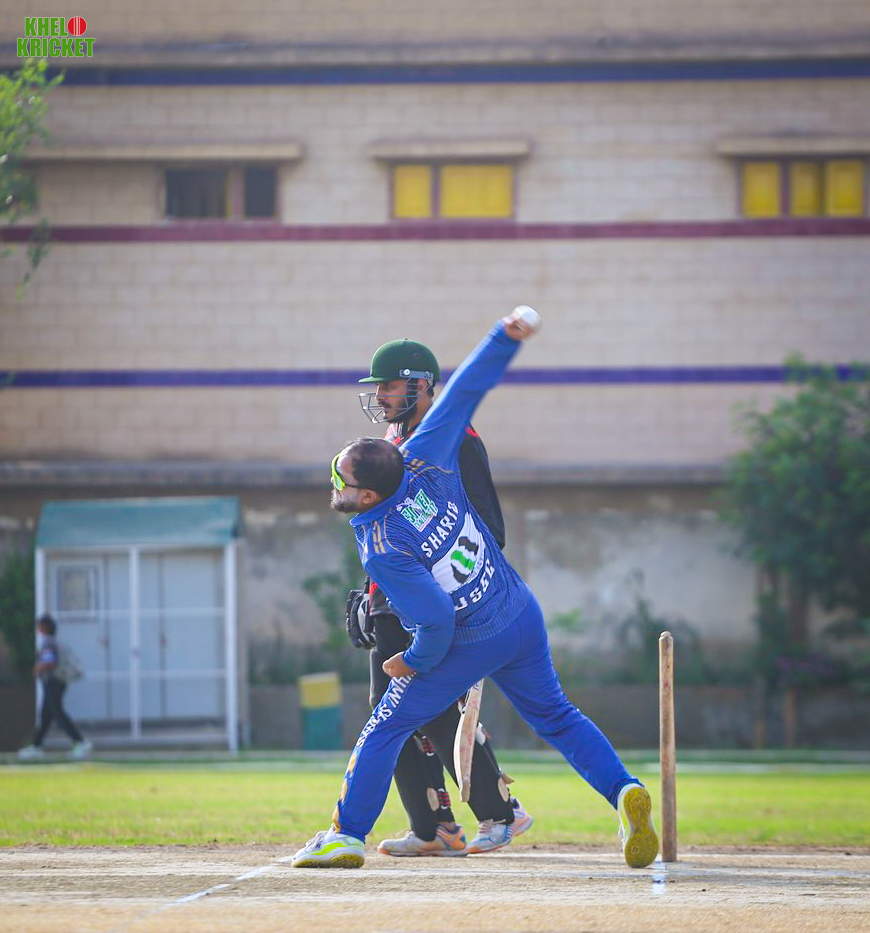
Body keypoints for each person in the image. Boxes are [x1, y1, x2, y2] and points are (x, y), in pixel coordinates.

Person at [292, 310, 659, 870]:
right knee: (557, 715)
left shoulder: (382, 543)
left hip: (467, 635)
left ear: (366, 498)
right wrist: (503, 337)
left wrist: (412, 661)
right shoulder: (424, 457)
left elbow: (437, 622)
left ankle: (345, 835)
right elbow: (466, 390)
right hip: (518, 610)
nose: (335, 484)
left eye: (342, 480)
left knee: (387, 723)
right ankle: (624, 789)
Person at [346, 337, 532, 856]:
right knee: (388, 707)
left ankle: (502, 810)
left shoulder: (457, 439)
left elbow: (488, 528)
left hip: (435, 601)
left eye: (390, 385)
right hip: (396, 598)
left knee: (429, 707)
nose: (381, 395)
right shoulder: (392, 438)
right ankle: (434, 828)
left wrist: (452, 595)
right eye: (378, 386)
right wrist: (374, 593)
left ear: (423, 386)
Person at [17, 614, 92, 761]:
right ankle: (36, 746)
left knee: (58, 713)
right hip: (57, 682)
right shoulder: (54, 642)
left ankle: (80, 742)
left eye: (39, 625)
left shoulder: (48, 643)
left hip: (53, 682)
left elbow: (50, 661)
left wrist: (37, 668)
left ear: (44, 627)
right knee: (45, 716)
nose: (38, 628)